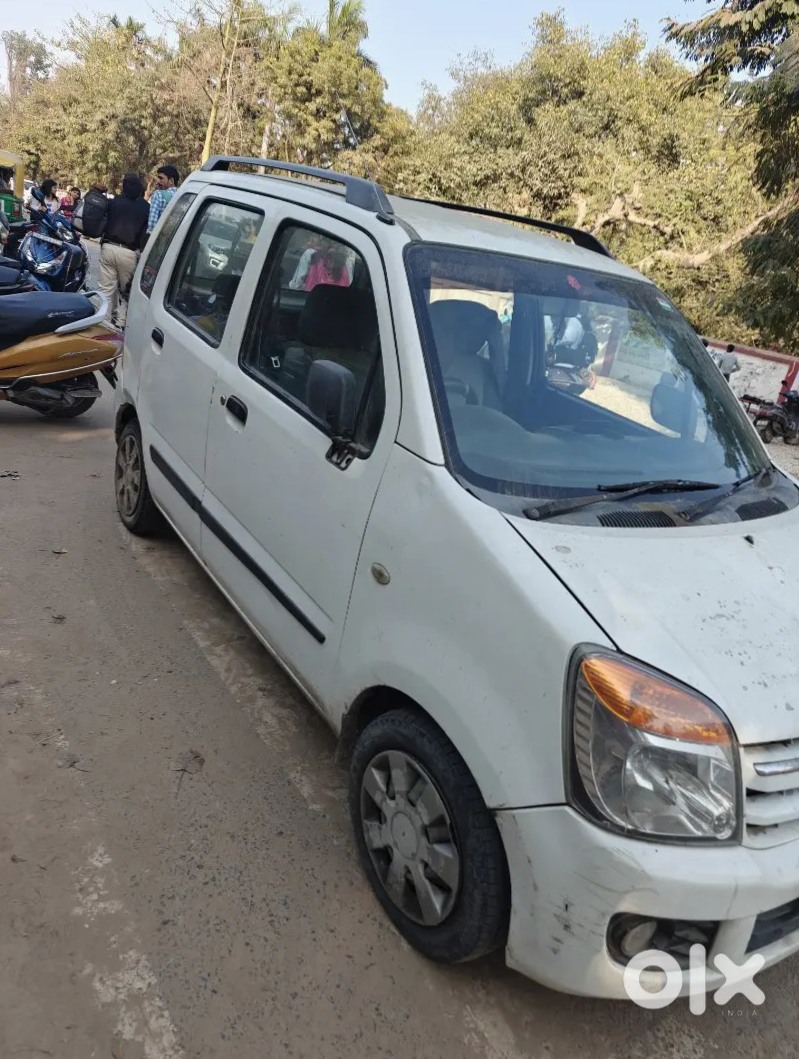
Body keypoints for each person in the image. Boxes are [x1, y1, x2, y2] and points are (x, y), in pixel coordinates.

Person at [98, 174, 149, 330]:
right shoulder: (145, 207)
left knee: (106, 289)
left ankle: (104, 322)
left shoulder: (114, 202)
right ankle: (120, 324)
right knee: (126, 291)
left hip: (108, 247)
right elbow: (145, 233)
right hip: (129, 252)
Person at [147, 164, 179, 234]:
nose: (158, 181)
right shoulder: (183, 196)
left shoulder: (158, 194)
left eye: (161, 178)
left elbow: (152, 223)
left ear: (171, 181)